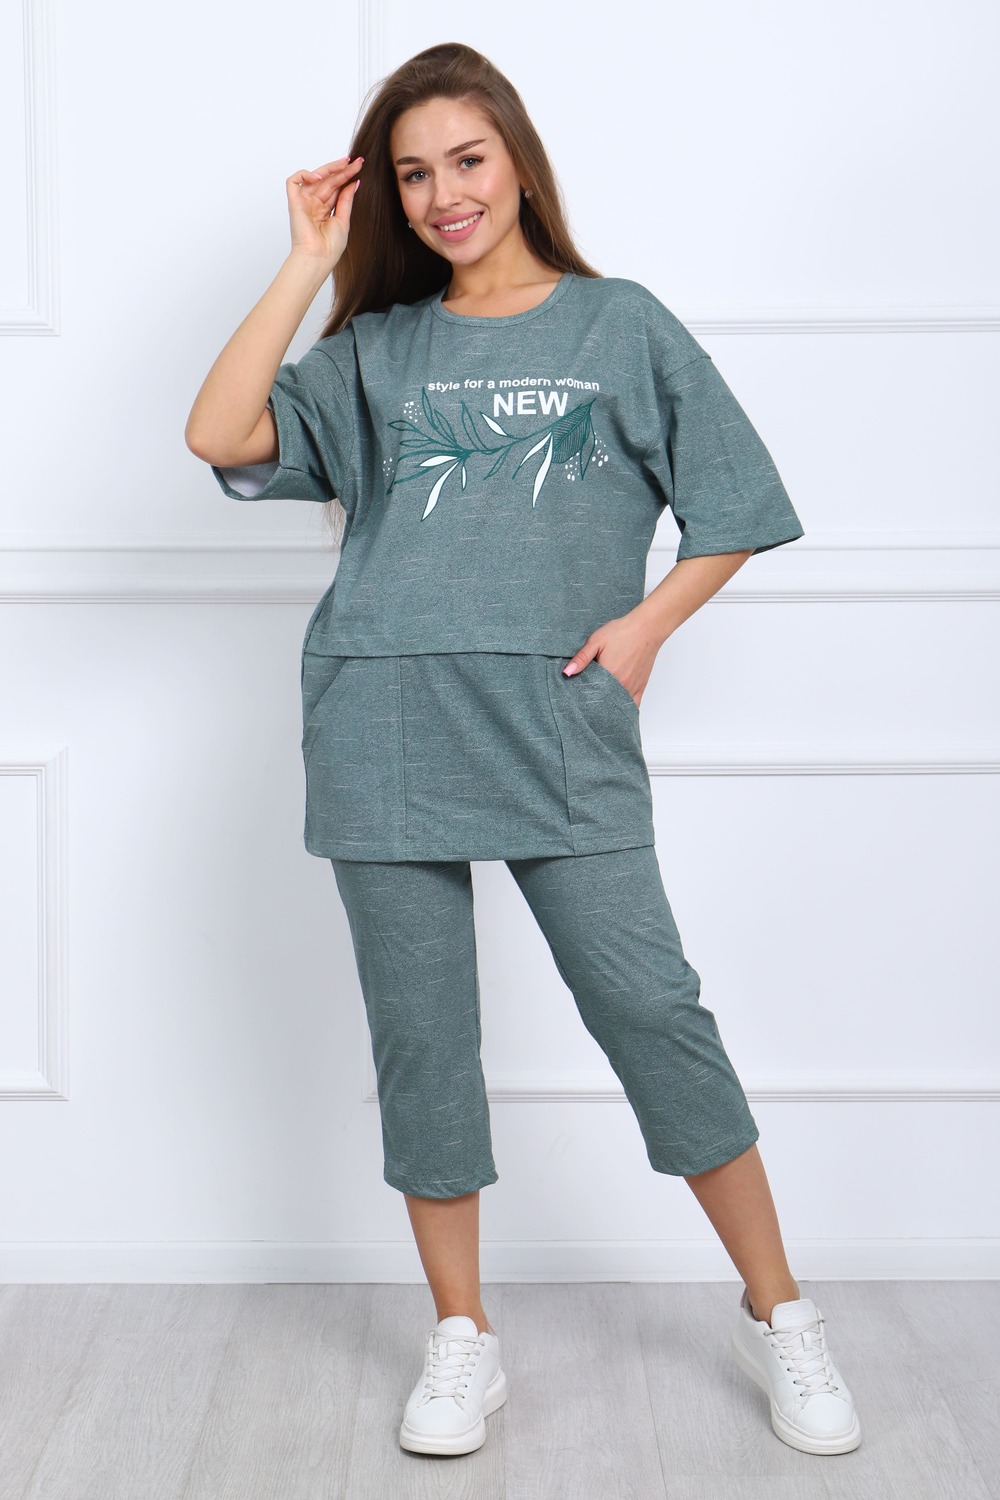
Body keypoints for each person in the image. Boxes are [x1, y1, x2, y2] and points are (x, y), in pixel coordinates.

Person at [185, 40, 862, 1463]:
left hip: (560, 723)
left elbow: (736, 502)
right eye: (413, 173)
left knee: (653, 1013)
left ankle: (780, 1309)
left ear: (519, 163)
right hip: (382, 725)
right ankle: (463, 1337)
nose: (445, 194)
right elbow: (218, 430)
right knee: (424, 1043)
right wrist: (309, 259)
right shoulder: (377, 351)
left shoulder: (621, 325)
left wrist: (646, 629)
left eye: (467, 160)